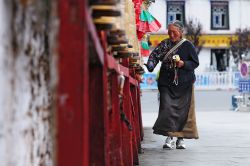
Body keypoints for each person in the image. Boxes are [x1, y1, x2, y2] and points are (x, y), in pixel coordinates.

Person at [144, 20, 199, 149]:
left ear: (180, 32)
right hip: (166, 83)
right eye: (169, 32)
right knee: (167, 109)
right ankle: (169, 137)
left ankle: (180, 138)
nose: (171, 35)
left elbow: (195, 63)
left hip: (184, 83)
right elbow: (154, 55)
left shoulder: (188, 46)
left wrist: (183, 64)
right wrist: (151, 65)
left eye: (174, 32)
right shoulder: (164, 44)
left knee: (182, 112)